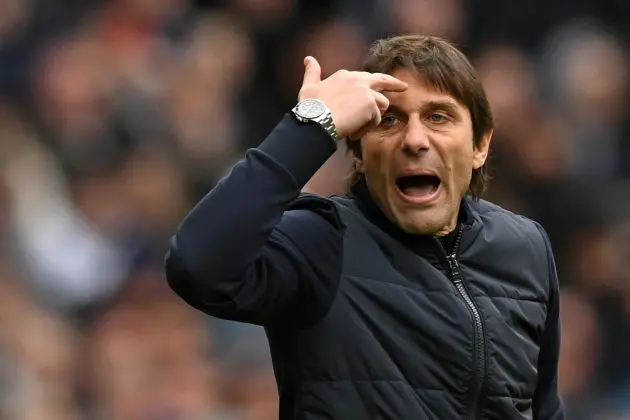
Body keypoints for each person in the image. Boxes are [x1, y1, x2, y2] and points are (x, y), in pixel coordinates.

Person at [165, 35, 565, 420]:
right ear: (357, 153)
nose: (415, 139)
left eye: (438, 117)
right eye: (388, 121)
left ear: (480, 146)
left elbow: (541, 408)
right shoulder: (321, 241)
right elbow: (198, 265)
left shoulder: (526, 247)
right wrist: (309, 126)